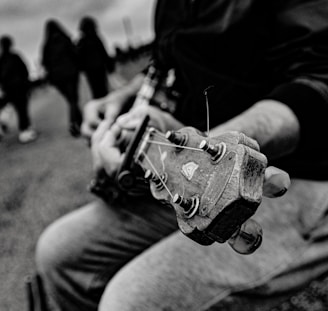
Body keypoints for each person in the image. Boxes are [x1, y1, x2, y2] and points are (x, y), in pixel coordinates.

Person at [36, 0, 328, 310]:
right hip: (191, 178)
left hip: (300, 172)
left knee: (127, 302)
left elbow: (319, 77)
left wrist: (209, 146)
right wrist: (120, 100)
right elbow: (166, 63)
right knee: (58, 252)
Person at [41, 19, 82, 137]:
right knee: (73, 99)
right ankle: (74, 122)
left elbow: (44, 63)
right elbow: (75, 54)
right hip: (71, 73)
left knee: (71, 99)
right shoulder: (65, 40)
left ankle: (78, 121)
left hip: (57, 78)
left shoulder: (46, 45)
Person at [0, 35, 37, 143]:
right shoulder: (15, 57)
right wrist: (26, 84)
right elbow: (25, 70)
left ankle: (20, 129)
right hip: (20, 89)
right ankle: (24, 132)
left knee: (12, 109)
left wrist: (4, 88)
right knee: (22, 110)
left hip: (9, 90)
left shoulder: (2, 60)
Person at [76, 16, 115, 100]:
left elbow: (79, 58)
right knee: (102, 89)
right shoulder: (95, 39)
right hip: (98, 68)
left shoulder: (82, 42)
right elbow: (104, 53)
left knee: (97, 90)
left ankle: (102, 106)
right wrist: (109, 64)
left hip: (91, 70)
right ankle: (104, 104)